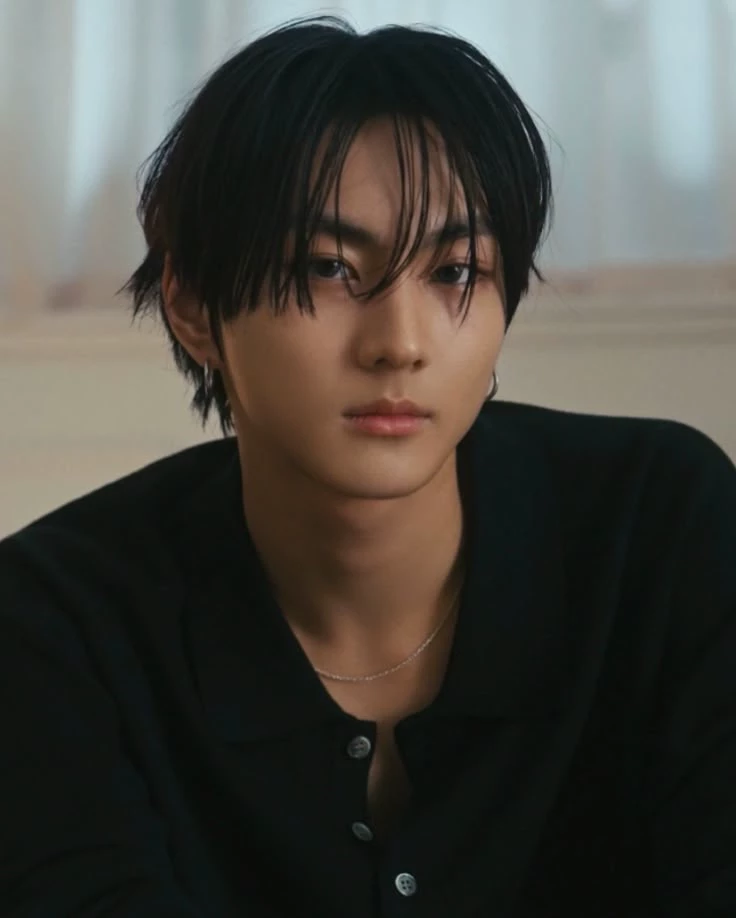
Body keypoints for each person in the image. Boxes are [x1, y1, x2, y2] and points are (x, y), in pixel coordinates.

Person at [1, 15, 734, 918]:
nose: (400, 343)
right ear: (192, 305)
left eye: (455, 271)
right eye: (328, 268)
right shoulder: (53, 623)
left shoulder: (662, 531)